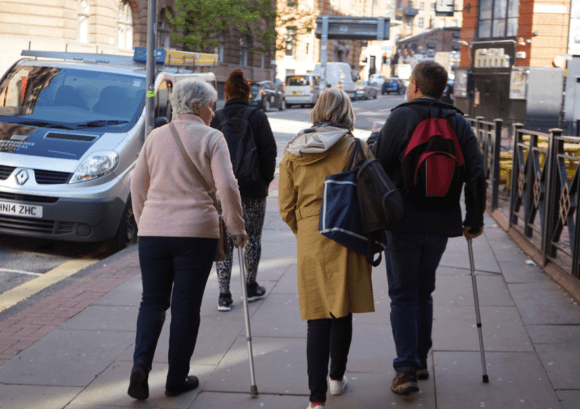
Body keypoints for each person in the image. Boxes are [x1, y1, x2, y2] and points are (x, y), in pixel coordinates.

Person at [368, 60, 486, 395]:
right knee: (424, 292)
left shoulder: (402, 116)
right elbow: (476, 172)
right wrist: (473, 219)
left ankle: (405, 369)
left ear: (416, 85)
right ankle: (420, 360)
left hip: (402, 220)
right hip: (442, 220)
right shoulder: (458, 121)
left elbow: (379, 165)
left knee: (402, 294)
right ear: (442, 88)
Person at [128, 79, 248, 400]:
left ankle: (141, 366)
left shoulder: (155, 137)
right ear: (198, 107)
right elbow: (227, 187)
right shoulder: (212, 137)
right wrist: (237, 228)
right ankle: (175, 379)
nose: (214, 112)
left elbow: (137, 185)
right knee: (185, 307)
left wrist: (145, 222)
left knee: (152, 301)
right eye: (211, 106)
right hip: (196, 233)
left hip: (153, 231)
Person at [278, 88, 375, 409]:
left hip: (310, 237)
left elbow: (285, 206)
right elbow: (372, 198)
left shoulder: (293, 150)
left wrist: (304, 230)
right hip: (346, 236)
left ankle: (315, 399)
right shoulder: (357, 147)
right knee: (341, 307)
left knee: (317, 315)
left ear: (317, 111)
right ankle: (336, 379)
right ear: (346, 113)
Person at [210, 69, 277, 311]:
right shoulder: (257, 116)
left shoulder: (216, 118)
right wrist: (264, 181)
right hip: (253, 188)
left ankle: (224, 294)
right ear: (247, 93)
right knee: (253, 238)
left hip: (224, 189)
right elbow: (269, 153)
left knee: (225, 239)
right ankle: (250, 286)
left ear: (226, 93)